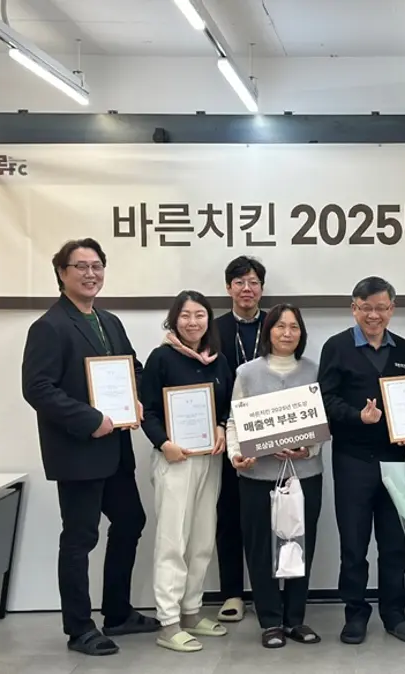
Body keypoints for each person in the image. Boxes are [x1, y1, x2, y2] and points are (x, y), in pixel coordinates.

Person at [21, 238, 159, 656]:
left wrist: (136, 395)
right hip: (78, 451)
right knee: (80, 538)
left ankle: (117, 612)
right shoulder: (49, 326)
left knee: (130, 520)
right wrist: (90, 419)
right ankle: (79, 627)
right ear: (61, 273)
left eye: (97, 265)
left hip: (115, 450)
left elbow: (132, 367)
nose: (90, 273)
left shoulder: (109, 321)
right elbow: (38, 388)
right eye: (80, 266)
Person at [317, 276, 405, 645]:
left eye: (381, 308)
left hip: (395, 461)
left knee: (395, 544)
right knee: (354, 545)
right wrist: (357, 416)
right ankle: (355, 614)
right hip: (353, 460)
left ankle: (395, 614)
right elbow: (325, 399)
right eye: (366, 308)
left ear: (392, 309)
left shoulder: (404, 350)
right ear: (354, 309)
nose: (374, 315)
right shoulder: (336, 347)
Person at [225, 304, 324, 649]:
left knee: (300, 545)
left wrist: (307, 449)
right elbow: (235, 421)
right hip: (258, 476)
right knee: (260, 549)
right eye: (280, 326)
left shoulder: (314, 371)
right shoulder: (247, 372)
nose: (287, 333)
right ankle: (270, 621)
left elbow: (322, 423)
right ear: (268, 331)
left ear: (302, 333)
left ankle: (295, 619)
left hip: (304, 474)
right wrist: (236, 454)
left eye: (294, 327)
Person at [140, 291, 233, 652]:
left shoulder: (218, 361)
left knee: (202, 539)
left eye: (199, 315)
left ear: (209, 320)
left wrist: (222, 427)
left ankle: (191, 611)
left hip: (210, 458)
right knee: (172, 542)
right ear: (174, 320)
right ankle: (168, 622)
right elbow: (148, 410)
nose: (192, 322)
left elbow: (226, 407)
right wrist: (164, 443)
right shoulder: (161, 358)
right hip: (175, 460)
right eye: (185, 316)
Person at [213, 256, 268, 622]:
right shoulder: (213, 328)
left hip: (270, 431)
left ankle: (269, 592)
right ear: (228, 288)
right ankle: (232, 592)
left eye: (253, 282)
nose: (247, 289)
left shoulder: (276, 325)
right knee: (229, 515)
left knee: (268, 518)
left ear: (262, 288)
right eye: (239, 282)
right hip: (226, 431)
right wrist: (221, 424)